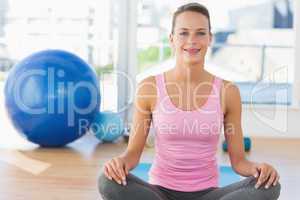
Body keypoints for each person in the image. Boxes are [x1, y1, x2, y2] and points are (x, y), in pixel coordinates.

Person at [98, 3, 281, 200]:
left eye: (200, 33)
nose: (192, 40)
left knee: (270, 186)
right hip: (159, 193)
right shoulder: (149, 87)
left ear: (210, 38)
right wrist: (119, 162)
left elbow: (239, 162)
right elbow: (132, 154)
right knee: (107, 181)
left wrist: (259, 168)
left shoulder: (228, 91)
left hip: (209, 195)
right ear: (172, 39)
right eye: (183, 33)